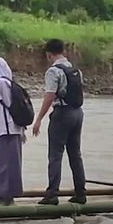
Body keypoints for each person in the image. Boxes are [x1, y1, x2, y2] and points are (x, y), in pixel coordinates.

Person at [32, 39, 87, 205]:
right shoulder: (75, 70)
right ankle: (80, 193)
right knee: (75, 154)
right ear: (63, 51)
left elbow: (50, 96)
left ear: (49, 54)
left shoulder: (53, 71)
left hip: (62, 114)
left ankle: (52, 194)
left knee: (55, 155)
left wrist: (39, 119)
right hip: (78, 113)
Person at [0, 58, 25, 206]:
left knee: (1, 163)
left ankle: (0, 196)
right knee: (12, 163)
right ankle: (7, 195)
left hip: (6, 129)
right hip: (16, 129)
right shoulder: (12, 84)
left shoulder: (0, 83)